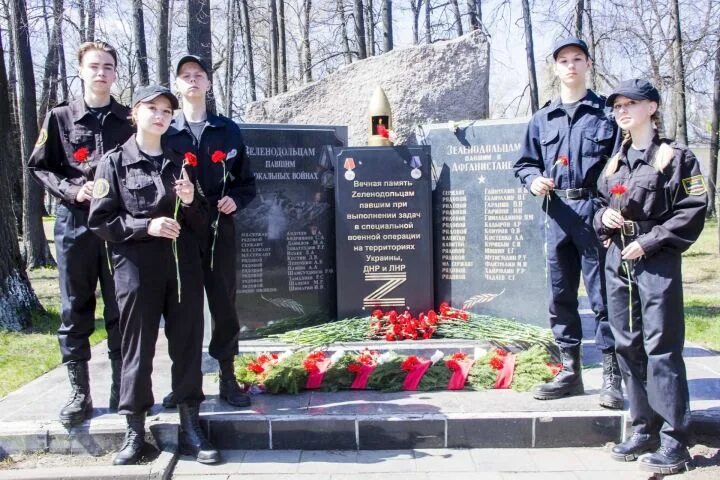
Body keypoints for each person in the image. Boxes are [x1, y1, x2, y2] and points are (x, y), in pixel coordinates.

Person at [88, 85, 220, 465]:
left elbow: (202, 221)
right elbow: (101, 220)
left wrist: (193, 201)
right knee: (137, 349)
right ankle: (135, 431)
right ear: (135, 113)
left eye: (166, 110)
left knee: (187, 346)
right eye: (153, 108)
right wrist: (148, 226)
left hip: (182, 269)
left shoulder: (182, 161)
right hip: (137, 271)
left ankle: (191, 426)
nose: (160, 115)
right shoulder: (113, 163)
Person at [595, 79, 707, 475]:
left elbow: (693, 208)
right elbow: (600, 201)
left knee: (662, 346)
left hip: (654, 259)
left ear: (652, 108)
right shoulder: (615, 159)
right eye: (617, 105)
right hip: (618, 260)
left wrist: (651, 240)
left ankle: (675, 441)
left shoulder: (675, 157)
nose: (622, 110)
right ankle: (644, 428)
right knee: (627, 344)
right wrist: (601, 218)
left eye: (631, 103)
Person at [27, 41, 133, 426]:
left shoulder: (129, 119)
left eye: (108, 66)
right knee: (75, 309)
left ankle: (123, 389)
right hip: (76, 224)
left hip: (120, 227)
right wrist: (73, 190)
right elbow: (40, 167)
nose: (101, 72)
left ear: (116, 72)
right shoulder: (61, 118)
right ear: (81, 70)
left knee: (122, 308)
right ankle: (78, 392)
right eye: (94, 66)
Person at [513, 37, 623, 408]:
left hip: (595, 213)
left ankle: (612, 376)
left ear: (588, 64)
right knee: (560, 296)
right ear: (555, 68)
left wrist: (613, 209)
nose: (571, 65)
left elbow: (622, 165)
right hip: (558, 211)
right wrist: (533, 182)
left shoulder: (607, 114)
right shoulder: (543, 119)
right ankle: (569, 371)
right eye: (563, 60)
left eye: (578, 59)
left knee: (603, 297)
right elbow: (524, 163)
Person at [162, 55, 256, 408]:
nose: (192, 81)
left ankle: (228, 378)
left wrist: (235, 199)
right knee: (182, 307)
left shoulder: (227, 129)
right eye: (185, 75)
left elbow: (247, 182)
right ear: (177, 85)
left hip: (219, 228)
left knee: (223, 303)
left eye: (198, 75)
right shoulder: (168, 131)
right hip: (181, 230)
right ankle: (184, 382)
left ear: (209, 83)